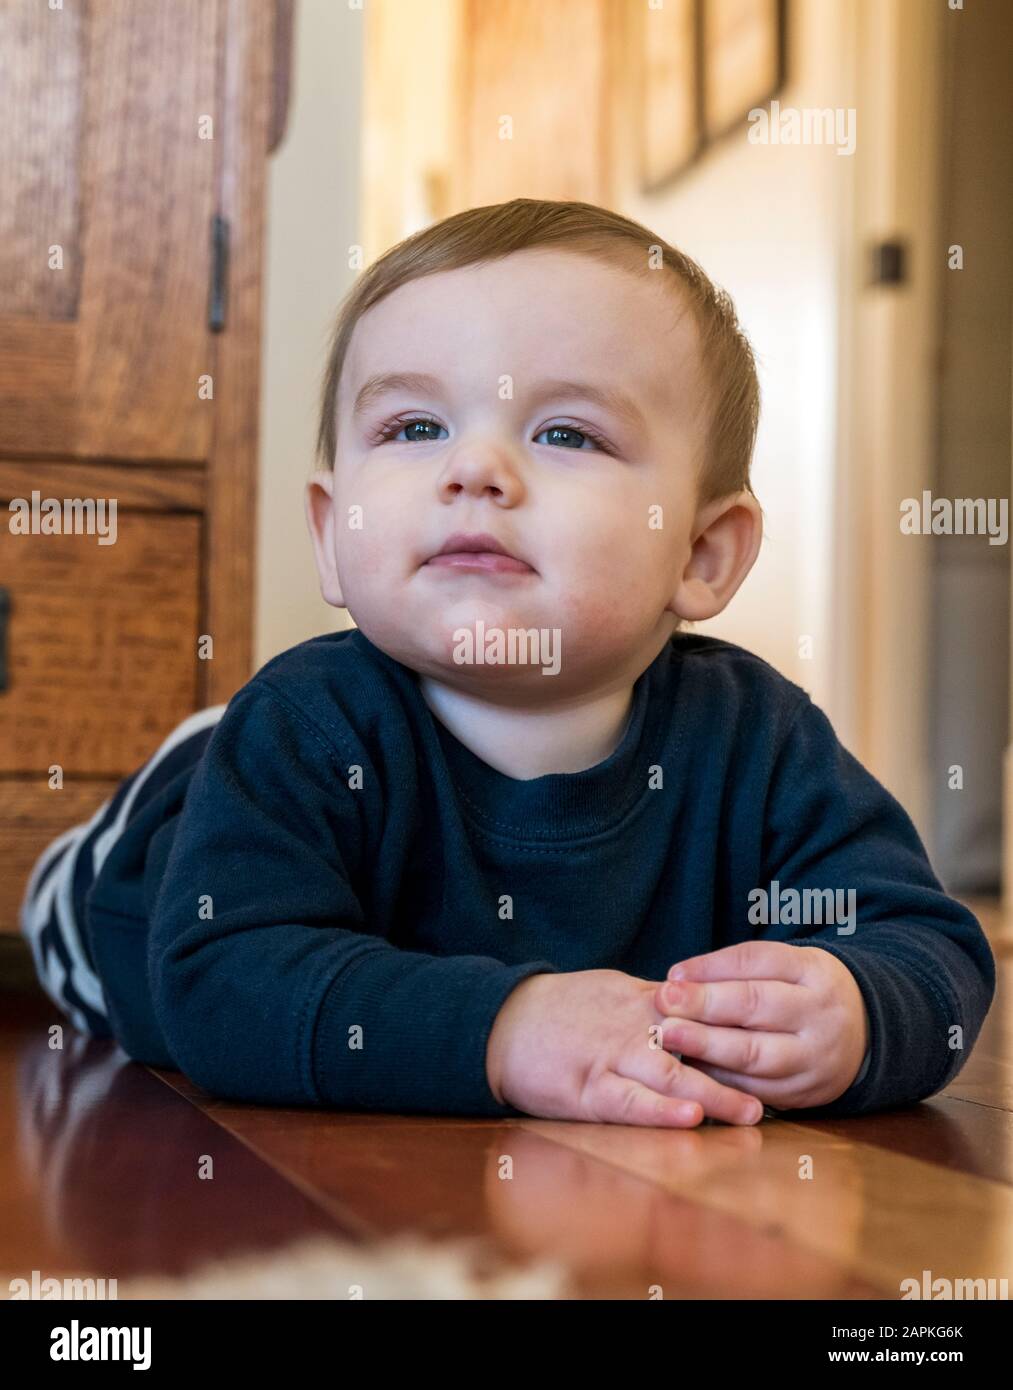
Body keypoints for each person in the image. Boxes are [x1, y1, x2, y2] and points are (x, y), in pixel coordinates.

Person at [20, 198, 995, 1129]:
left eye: (564, 432)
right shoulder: (310, 724)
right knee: (113, 914)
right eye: (413, 428)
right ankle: (154, 798)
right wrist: (504, 1027)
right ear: (331, 535)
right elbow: (222, 982)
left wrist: (856, 1009)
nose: (473, 468)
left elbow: (928, 943)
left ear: (699, 555)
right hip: (146, 884)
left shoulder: (755, 737)